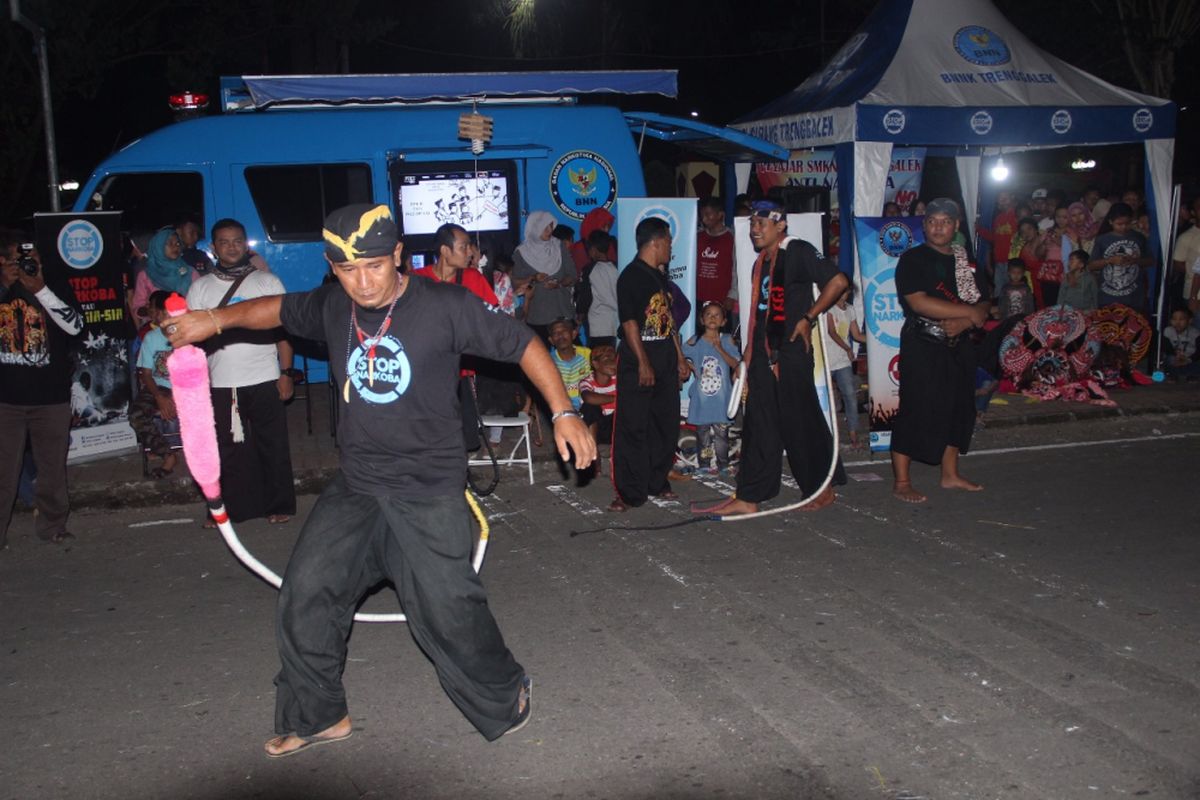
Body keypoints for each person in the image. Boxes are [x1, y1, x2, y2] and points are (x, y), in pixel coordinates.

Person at [163, 203, 594, 756]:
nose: (362, 283)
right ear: (331, 267)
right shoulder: (332, 305)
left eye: (373, 266)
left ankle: (505, 693)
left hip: (429, 484)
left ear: (397, 256)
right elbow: (275, 309)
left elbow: (524, 345)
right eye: (347, 270)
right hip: (359, 485)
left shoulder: (446, 305)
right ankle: (318, 715)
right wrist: (215, 321)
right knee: (306, 591)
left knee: (445, 613)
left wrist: (562, 411)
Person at [695, 200, 848, 517]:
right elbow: (758, 313)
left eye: (761, 223)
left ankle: (822, 487)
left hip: (791, 351)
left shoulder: (799, 250)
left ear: (780, 225)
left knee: (800, 421)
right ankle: (750, 494)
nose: (754, 229)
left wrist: (808, 317)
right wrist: (746, 359)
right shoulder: (760, 262)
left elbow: (838, 282)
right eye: (751, 223)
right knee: (758, 423)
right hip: (763, 353)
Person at [186, 218, 296, 525]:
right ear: (213, 247)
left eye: (237, 241)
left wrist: (286, 372)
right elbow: (192, 340)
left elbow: (284, 332)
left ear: (245, 245)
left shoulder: (267, 282)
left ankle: (279, 505)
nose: (232, 247)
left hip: (264, 376)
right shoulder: (200, 288)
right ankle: (231, 508)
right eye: (224, 242)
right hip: (222, 381)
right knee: (228, 451)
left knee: (272, 444)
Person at [889, 198, 990, 504]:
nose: (938, 227)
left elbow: (984, 304)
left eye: (945, 221)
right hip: (923, 342)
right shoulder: (913, 259)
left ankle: (950, 474)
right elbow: (918, 302)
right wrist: (967, 314)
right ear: (925, 225)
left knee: (959, 408)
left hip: (959, 344)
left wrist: (965, 321)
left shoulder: (967, 262)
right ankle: (902, 481)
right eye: (932, 221)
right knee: (915, 408)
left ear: (956, 225)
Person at [0, 230, 84, 548]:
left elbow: (75, 326)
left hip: (50, 397)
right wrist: (5, 286)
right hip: (5, 398)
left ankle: (52, 525)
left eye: (32, 256)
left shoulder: (54, 285)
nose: (27, 262)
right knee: (3, 470)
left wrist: (42, 290)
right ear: (4, 261)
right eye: (19, 258)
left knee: (52, 468)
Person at [610, 216, 689, 512]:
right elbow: (630, 322)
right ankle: (629, 492)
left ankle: (657, 482)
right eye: (669, 241)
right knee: (633, 425)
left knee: (665, 424)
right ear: (655, 242)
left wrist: (680, 357)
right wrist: (643, 363)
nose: (671, 247)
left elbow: (667, 322)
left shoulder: (659, 276)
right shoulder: (631, 276)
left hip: (665, 356)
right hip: (638, 357)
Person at [682, 302, 739, 475]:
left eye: (717, 315)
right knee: (703, 434)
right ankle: (704, 463)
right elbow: (680, 355)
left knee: (722, 434)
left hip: (721, 400)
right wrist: (691, 367)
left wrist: (719, 349)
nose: (712, 318)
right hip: (702, 399)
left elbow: (735, 363)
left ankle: (723, 464)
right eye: (708, 314)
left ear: (723, 321)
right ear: (701, 319)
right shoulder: (696, 340)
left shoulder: (726, 339)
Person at [130, 290, 179, 478]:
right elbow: (146, 374)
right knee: (136, 415)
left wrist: (178, 396)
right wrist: (159, 397)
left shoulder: (188, 334)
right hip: (159, 388)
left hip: (187, 387)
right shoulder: (151, 338)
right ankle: (168, 454)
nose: (150, 312)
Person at [512, 211, 575, 339]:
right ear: (535, 227)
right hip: (537, 315)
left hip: (562, 311)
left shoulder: (558, 246)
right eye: (545, 227)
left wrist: (559, 283)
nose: (549, 230)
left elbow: (573, 275)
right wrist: (533, 278)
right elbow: (514, 283)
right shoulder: (521, 252)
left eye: (551, 226)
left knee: (570, 352)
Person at [131, 227, 199, 328]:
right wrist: (149, 310)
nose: (175, 247)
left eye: (177, 244)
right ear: (158, 246)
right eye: (170, 243)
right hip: (155, 330)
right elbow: (137, 307)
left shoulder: (189, 272)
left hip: (185, 327)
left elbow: (199, 301)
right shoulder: (145, 275)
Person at [1090, 202, 1153, 309]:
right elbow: (1091, 265)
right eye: (1119, 224)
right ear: (1110, 222)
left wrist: (1135, 261)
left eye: (1127, 223)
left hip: (1134, 296)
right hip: (1108, 297)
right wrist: (1110, 260)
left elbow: (1151, 261)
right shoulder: (1102, 239)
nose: (1123, 227)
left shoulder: (1138, 237)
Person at [826, 287, 866, 448]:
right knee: (828, 399)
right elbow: (831, 332)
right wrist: (848, 348)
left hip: (843, 361)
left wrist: (874, 341)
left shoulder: (850, 310)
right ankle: (828, 433)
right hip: (826, 360)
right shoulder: (828, 307)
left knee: (849, 395)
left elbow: (856, 335)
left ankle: (853, 434)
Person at [579, 343, 618, 471]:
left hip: (616, 428)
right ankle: (594, 453)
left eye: (614, 359)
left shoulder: (619, 379)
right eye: (607, 359)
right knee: (589, 407)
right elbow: (588, 398)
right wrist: (617, 398)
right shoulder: (587, 381)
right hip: (596, 429)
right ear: (595, 364)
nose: (613, 363)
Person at [695, 197, 737, 311]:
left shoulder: (732, 238)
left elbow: (736, 269)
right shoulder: (697, 237)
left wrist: (732, 295)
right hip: (698, 297)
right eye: (702, 215)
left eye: (708, 215)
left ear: (720, 215)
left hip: (722, 299)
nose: (704, 219)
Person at [584, 230, 619, 349]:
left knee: (598, 358)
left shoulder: (589, 269)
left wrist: (580, 313)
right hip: (614, 323)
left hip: (597, 325)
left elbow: (586, 297)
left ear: (593, 249)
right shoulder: (616, 267)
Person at [547, 317, 591, 411]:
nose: (560, 336)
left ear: (574, 334)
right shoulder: (548, 361)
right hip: (561, 406)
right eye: (555, 333)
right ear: (551, 340)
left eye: (564, 331)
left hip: (586, 404)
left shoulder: (587, 354)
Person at [569, 207, 616, 275]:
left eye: (608, 226)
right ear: (593, 224)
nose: (606, 230)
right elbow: (580, 275)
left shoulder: (612, 242)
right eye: (603, 226)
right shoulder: (579, 248)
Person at [1162, 308, 1200, 380]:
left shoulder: (1195, 333)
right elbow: (1166, 347)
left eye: (1181, 319)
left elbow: (1198, 351)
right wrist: (1176, 354)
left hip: (1190, 358)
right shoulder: (1168, 331)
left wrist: (1189, 359)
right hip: (1175, 356)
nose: (1177, 322)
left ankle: (1191, 375)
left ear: (1189, 321)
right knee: (1169, 359)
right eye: (1174, 319)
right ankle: (1174, 375)